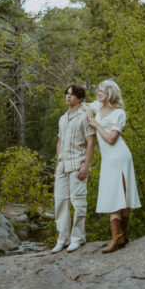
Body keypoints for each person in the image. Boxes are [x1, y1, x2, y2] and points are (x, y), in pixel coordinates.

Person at [86, 79, 140, 253]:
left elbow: (111, 139)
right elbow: (86, 106)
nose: (98, 93)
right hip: (109, 158)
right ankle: (122, 236)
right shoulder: (98, 107)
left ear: (109, 93)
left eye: (101, 91)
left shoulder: (119, 114)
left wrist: (96, 124)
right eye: (98, 91)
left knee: (117, 195)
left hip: (119, 156)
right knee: (116, 194)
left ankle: (116, 239)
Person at [51, 84, 96, 253]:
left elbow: (91, 141)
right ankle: (62, 239)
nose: (68, 96)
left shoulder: (84, 116)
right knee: (60, 202)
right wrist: (57, 166)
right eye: (67, 93)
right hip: (63, 166)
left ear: (80, 98)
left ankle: (78, 238)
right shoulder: (63, 118)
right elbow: (60, 143)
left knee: (78, 202)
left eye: (72, 94)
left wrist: (86, 165)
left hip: (78, 164)